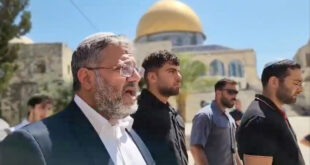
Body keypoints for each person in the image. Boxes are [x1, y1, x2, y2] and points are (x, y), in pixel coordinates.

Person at [0, 33, 155, 165]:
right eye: (125, 68)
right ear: (86, 78)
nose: (136, 77)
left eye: (135, 69)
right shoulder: (32, 145)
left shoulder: (130, 134)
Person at [236, 59, 305, 165]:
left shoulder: (272, 112)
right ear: (274, 82)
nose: (300, 89)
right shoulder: (260, 121)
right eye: (296, 83)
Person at [132, 50, 188, 165]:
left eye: (178, 71)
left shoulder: (175, 117)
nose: (179, 77)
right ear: (152, 77)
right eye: (171, 71)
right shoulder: (134, 114)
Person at [190, 78, 243, 165]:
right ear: (218, 93)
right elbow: (196, 148)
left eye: (236, 92)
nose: (234, 96)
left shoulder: (230, 119)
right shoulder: (204, 115)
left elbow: (233, 150)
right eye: (230, 92)